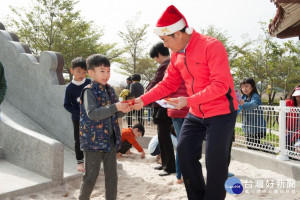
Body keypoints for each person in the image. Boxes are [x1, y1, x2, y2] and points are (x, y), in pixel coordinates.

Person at [131, 5, 238, 200]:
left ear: (178, 34)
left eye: (165, 40)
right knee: (184, 151)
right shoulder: (176, 54)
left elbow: (221, 85)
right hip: (196, 112)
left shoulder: (212, 46)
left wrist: (188, 101)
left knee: (215, 162)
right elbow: (168, 83)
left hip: (221, 112)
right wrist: (142, 99)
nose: (165, 46)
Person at [78, 54, 130, 200]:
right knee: (90, 176)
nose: (106, 74)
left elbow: (115, 113)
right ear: (91, 73)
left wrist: (123, 110)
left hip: (110, 140)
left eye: (108, 71)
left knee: (112, 176)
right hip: (93, 142)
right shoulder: (88, 91)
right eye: (102, 71)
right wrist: (115, 107)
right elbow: (93, 114)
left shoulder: (110, 90)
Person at [147, 42, 176, 176]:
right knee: (166, 137)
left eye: (155, 57)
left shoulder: (164, 66)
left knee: (164, 137)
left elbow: (154, 85)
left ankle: (169, 167)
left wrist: (144, 97)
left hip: (163, 106)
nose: (156, 60)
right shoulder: (173, 63)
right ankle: (166, 164)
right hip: (172, 105)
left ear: (158, 54)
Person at [63, 57, 91, 172]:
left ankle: (92, 161)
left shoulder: (90, 83)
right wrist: (79, 114)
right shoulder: (70, 88)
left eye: (84, 72)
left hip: (91, 118)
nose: (81, 74)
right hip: (77, 119)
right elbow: (66, 104)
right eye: (78, 71)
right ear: (72, 71)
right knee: (78, 140)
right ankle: (80, 162)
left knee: (91, 138)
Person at [239, 78, 266, 149]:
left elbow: (253, 105)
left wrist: (242, 103)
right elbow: (238, 107)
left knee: (255, 147)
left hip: (257, 128)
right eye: (242, 87)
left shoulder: (255, 96)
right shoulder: (243, 97)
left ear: (252, 87)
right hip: (248, 128)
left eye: (247, 86)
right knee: (250, 146)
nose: (244, 88)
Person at [285, 84, 300, 150]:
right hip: (290, 131)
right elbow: (281, 117)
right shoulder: (288, 103)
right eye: (297, 95)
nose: (298, 96)